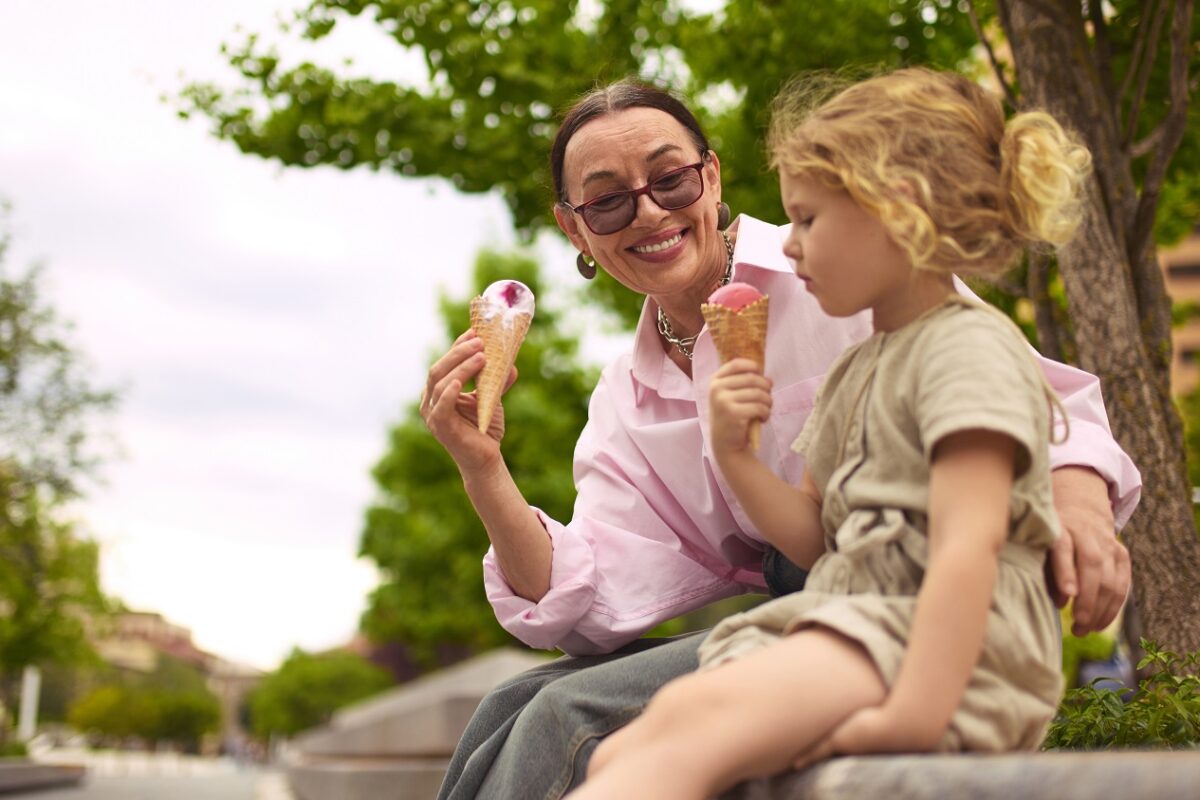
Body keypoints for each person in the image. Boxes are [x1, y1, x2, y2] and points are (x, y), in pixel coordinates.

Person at [422, 78, 1141, 800]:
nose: (647, 211)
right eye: (608, 200)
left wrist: (1078, 505)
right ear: (575, 229)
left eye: (670, 180)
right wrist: (483, 469)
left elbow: (1044, 409)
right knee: (506, 706)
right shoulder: (626, 398)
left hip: (906, 620)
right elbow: (592, 603)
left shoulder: (865, 283)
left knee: (563, 715)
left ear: (711, 176)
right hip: (826, 592)